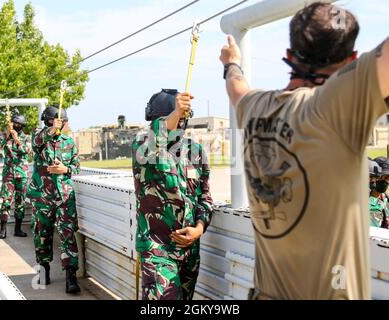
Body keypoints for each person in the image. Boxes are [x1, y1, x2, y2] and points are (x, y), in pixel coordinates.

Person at [220, 2, 389, 299]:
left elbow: (236, 87)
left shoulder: (255, 108)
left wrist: (231, 62)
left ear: (288, 55)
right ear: (351, 61)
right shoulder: (335, 106)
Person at [132, 89, 213, 300]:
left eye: (183, 117)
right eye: (176, 117)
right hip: (158, 249)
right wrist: (175, 113)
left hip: (189, 252)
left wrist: (199, 228)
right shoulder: (143, 146)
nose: (180, 123)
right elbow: (156, 137)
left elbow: (205, 197)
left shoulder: (195, 151)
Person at [27, 105, 81, 294]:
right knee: (42, 234)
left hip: (64, 197)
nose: (65, 124)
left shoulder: (69, 142)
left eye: (64, 121)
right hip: (42, 196)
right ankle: (44, 270)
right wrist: (51, 130)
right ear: (50, 121)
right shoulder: (40, 137)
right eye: (61, 121)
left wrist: (64, 169)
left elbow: (76, 166)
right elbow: (37, 141)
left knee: (68, 235)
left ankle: (71, 276)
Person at [0, 114, 31, 239]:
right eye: (13, 124)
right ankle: (3, 229)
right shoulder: (4, 135)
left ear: (22, 126)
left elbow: (27, 151)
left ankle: (18, 229)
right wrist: (8, 133)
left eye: (18, 124)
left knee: (20, 202)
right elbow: (1, 144)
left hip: (21, 174)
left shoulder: (27, 138)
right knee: (6, 201)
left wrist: (17, 139)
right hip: (8, 174)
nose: (15, 126)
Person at [371, 157, 389, 228]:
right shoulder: (367, 202)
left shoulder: (385, 197)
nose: (386, 182)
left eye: (388, 178)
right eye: (383, 177)